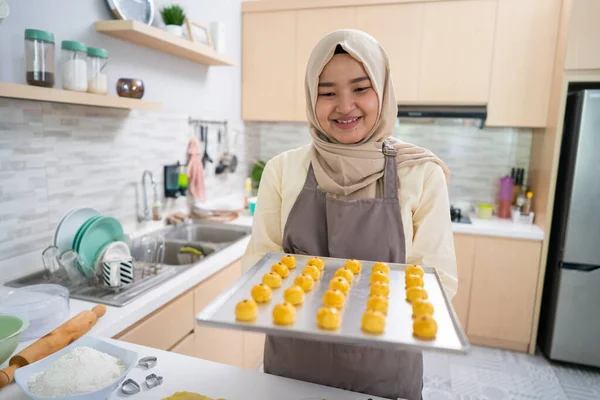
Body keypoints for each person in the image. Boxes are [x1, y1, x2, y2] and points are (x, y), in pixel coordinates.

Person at [242, 29, 457, 400]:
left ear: (383, 90)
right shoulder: (282, 170)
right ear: (312, 98)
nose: (344, 106)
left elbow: (436, 286)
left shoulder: (420, 173)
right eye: (327, 92)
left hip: (385, 369)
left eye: (361, 88)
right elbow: (258, 269)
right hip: (293, 366)